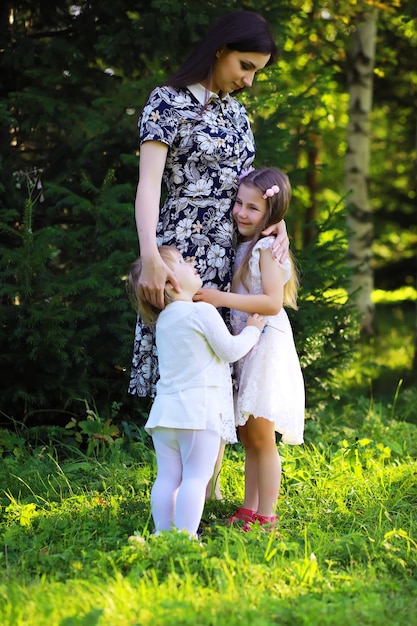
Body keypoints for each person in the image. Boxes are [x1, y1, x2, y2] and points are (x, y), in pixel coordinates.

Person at [129, 10, 288, 499]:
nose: (249, 79)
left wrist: (275, 222)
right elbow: (148, 184)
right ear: (220, 50)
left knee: (225, 368)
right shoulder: (167, 102)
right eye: (245, 65)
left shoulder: (236, 114)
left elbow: (251, 189)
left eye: (257, 70)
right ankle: (182, 482)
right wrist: (151, 254)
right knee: (183, 362)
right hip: (179, 256)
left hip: (228, 257)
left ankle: (209, 490)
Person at [128, 245, 265, 538]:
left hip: (165, 415)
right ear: (167, 282)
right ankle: (186, 538)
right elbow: (229, 350)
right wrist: (252, 330)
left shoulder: (163, 321)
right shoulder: (201, 311)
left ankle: (162, 534)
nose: (190, 261)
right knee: (195, 477)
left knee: (167, 478)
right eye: (179, 261)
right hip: (198, 413)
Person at [194, 168, 305, 531]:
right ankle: (249, 507)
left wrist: (214, 297)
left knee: (261, 437)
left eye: (252, 208)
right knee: (250, 436)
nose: (241, 212)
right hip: (251, 344)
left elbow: (273, 302)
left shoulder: (265, 248)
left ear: (270, 214)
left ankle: (267, 514)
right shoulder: (247, 242)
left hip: (266, 344)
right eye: (239, 203)